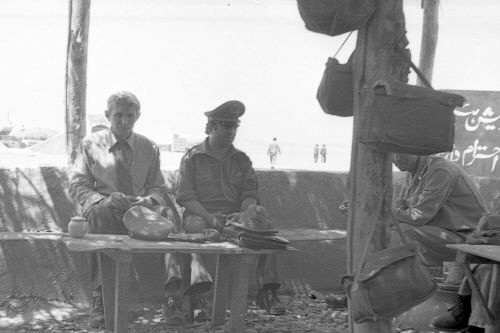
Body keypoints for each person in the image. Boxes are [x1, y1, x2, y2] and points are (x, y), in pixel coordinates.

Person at [164, 100, 286, 325]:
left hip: (234, 216)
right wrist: (211, 219)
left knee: (264, 224)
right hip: (201, 214)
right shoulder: (192, 158)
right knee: (194, 229)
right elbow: (186, 198)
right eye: (226, 126)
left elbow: (250, 192)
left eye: (234, 127)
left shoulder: (241, 159)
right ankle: (199, 296)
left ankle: (267, 291)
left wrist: (244, 214)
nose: (231, 132)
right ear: (211, 127)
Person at [69, 91, 175, 328]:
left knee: (169, 216)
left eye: (130, 115)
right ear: (108, 115)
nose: (124, 121)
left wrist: (148, 201)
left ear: (138, 116)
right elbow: (77, 184)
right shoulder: (89, 144)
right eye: (118, 115)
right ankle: (100, 297)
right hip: (105, 206)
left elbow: (158, 188)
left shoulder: (149, 148)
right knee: (98, 215)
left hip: (138, 209)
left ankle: (172, 296)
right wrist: (101, 200)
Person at [392, 153, 497, 332]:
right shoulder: (414, 173)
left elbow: (418, 216)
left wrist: (388, 211)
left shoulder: (440, 171)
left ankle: (465, 314)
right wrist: (395, 209)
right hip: (458, 239)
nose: (396, 159)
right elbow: (408, 210)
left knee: (400, 231)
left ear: (416, 149)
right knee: (395, 229)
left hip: (467, 238)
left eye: (400, 154)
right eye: (392, 155)